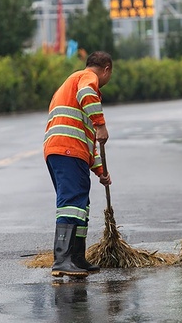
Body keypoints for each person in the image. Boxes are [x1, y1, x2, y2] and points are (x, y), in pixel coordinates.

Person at [43, 51, 113, 278]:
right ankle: (62, 259)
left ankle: (77, 258)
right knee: (71, 202)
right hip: (67, 150)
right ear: (106, 70)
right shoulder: (86, 79)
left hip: (67, 151)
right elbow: (87, 94)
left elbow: (88, 142)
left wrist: (101, 172)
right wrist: (100, 124)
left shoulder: (70, 86)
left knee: (81, 204)